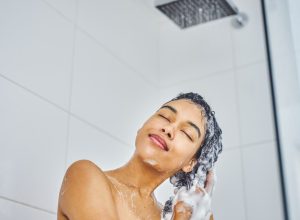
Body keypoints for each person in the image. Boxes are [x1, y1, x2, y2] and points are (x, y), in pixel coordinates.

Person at [57, 92, 223, 220]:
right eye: (164, 116)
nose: (168, 129)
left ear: (190, 163)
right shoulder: (85, 176)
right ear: (142, 127)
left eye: (186, 133)